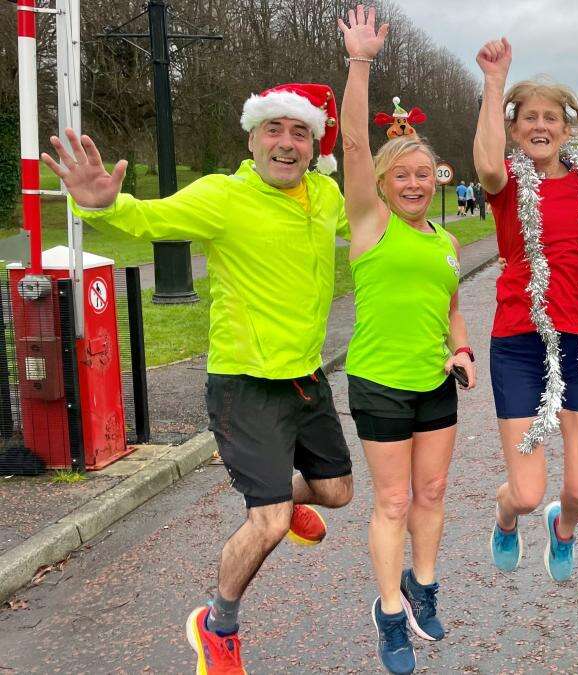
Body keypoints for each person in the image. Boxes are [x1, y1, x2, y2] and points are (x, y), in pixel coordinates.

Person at [42, 82, 354, 671]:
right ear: (252, 137)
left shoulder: (325, 195)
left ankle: (286, 505)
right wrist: (100, 203)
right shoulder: (223, 196)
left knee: (338, 492)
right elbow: (151, 219)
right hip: (244, 384)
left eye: (299, 133)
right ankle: (217, 625)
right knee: (265, 525)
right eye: (274, 129)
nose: (286, 144)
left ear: (315, 146)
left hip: (305, 378)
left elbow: (365, 174)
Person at [339, 7, 475, 674]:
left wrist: (462, 349)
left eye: (425, 174)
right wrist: (360, 62)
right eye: (404, 176)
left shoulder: (447, 242)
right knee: (392, 499)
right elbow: (355, 149)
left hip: (434, 380)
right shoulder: (370, 224)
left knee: (434, 491)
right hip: (379, 380)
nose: (416, 183)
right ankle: (389, 610)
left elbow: (450, 307)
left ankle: (424, 584)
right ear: (386, 185)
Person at [474, 37, 578, 583]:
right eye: (528, 117)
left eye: (550, 117)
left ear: (566, 127)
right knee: (528, 492)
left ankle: (565, 530)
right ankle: (506, 518)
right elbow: (485, 162)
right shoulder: (508, 183)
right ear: (515, 129)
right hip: (519, 339)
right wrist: (494, 81)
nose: (540, 125)